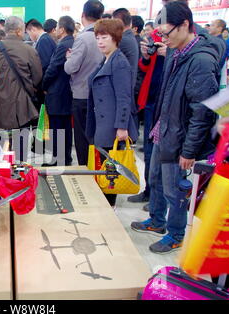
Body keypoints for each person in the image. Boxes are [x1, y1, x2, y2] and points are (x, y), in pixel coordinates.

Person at [131, 2, 221, 254]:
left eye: (167, 33)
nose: (164, 39)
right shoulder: (174, 51)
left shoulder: (201, 60)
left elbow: (201, 113)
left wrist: (189, 151)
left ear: (184, 26)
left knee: (175, 190)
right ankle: (157, 221)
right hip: (164, 129)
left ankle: (176, 234)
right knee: (157, 180)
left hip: (180, 138)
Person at [87, 18, 138, 207]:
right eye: (98, 37)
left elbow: (125, 98)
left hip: (112, 127)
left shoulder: (119, 62)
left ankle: (109, 209)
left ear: (115, 37)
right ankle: (105, 206)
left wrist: (122, 127)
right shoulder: (107, 59)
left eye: (104, 37)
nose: (100, 41)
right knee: (105, 169)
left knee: (111, 172)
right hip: (103, 124)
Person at [128, 28, 165, 208]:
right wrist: (147, 56)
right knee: (150, 153)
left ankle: (157, 199)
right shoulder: (160, 38)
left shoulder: (184, 51)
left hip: (164, 106)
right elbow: (144, 67)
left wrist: (170, 54)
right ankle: (149, 191)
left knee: (160, 156)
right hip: (150, 102)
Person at [64, 0, 104, 166]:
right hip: (101, 96)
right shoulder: (106, 36)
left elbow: (70, 67)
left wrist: (68, 59)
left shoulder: (83, 38)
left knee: (82, 138)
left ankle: (86, 173)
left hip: (82, 94)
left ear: (83, 15)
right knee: (98, 137)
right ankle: (100, 173)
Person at [0, 16, 43, 132]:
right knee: (21, 143)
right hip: (23, 106)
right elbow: (37, 78)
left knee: (1, 145)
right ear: (18, 31)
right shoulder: (29, 50)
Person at [41, 16, 75, 167]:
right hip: (66, 92)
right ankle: (65, 158)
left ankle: (58, 159)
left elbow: (52, 68)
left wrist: (44, 85)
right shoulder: (73, 42)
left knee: (57, 129)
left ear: (62, 29)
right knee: (65, 127)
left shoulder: (63, 45)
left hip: (57, 92)